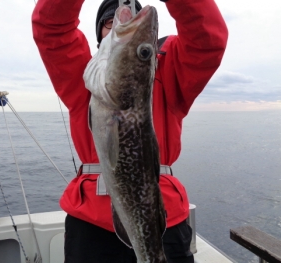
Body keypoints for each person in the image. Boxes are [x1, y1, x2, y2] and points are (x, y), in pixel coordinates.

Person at [32, 0, 228, 262]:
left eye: (144, 51)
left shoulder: (171, 75)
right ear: (99, 37)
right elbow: (51, 29)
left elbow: (207, 39)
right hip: (91, 225)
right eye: (110, 23)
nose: (119, 26)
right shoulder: (84, 77)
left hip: (163, 222)